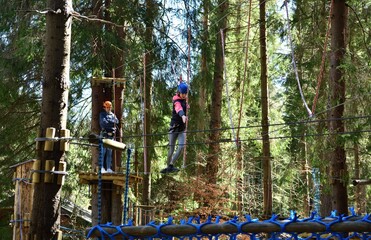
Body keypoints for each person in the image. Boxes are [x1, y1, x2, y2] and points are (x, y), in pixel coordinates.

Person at [160, 82, 189, 174]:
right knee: (171, 149)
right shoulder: (176, 101)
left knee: (181, 147)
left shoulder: (185, 100)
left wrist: (187, 108)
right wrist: (183, 116)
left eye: (185, 93)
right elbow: (178, 109)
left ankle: (171, 164)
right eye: (183, 93)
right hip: (174, 128)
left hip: (182, 129)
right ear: (179, 92)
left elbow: (184, 106)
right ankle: (168, 166)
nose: (184, 95)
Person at [99, 101, 119, 173]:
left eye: (109, 107)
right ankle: (101, 168)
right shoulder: (102, 114)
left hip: (111, 136)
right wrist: (111, 123)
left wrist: (110, 122)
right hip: (104, 135)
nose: (108, 109)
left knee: (109, 153)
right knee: (103, 151)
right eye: (107, 107)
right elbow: (104, 123)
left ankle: (108, 168)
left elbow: (117, 122)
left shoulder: (113, 115)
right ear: (104, 108)